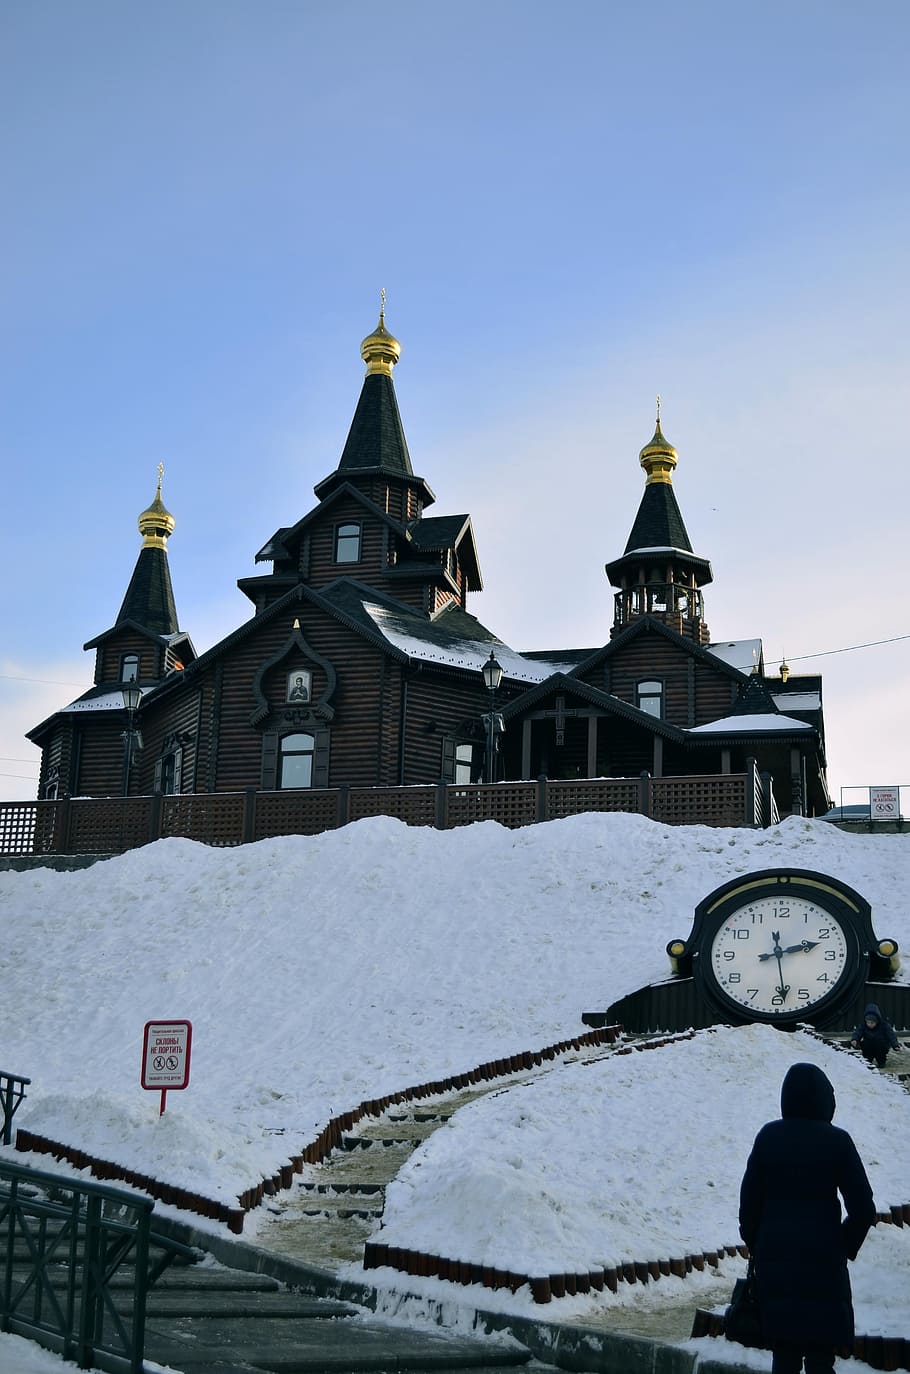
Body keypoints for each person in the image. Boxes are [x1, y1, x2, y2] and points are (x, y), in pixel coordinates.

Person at [738, 1062, 876, 1374]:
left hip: (776, 1261)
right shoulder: (838, 1141)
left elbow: (749, 1202)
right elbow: (864, 1209)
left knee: (783, 1356)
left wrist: (758, 1243)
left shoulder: (768, 1138)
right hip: (823, 1262)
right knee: (820, 1357)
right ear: (827, 1100)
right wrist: (843, 1244)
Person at [850, 1004, 899, 1068]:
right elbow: (857, 1033)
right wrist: (855, 1039)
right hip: (869, 1045)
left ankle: (881, 1062)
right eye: (868, 1022)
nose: (870, 1024)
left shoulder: (884, 1026)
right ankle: (867, 1062)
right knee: (865, 1045)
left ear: (877, 1021)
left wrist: (895, 1045)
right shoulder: (863, 1026)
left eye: (872, 1023)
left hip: (881, 1046)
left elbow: (891, 1036)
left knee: (880, 1049)